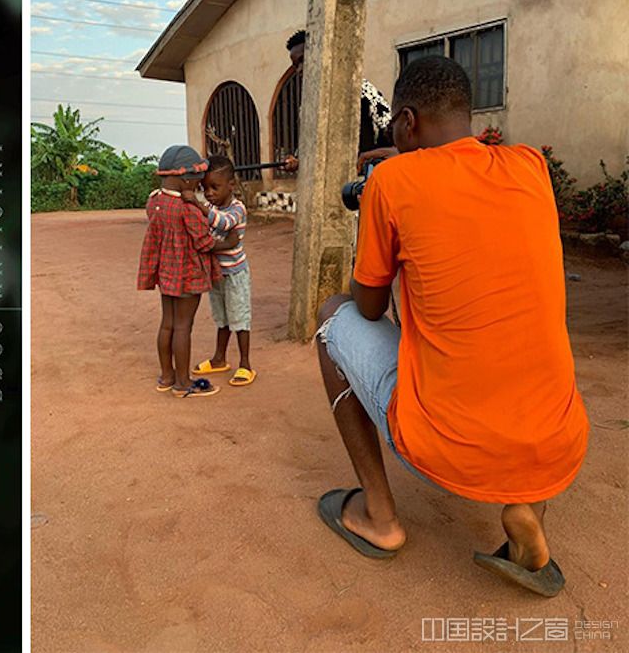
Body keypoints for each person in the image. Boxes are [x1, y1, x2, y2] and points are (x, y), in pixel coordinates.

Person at [312, 56, 589, 598]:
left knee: (331, 317)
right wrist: (410, 166)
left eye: (395, 123)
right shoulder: (530, 166)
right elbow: (459, 180)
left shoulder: (392, 180)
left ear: (407, 122)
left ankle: (379, 517)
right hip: (555, 441)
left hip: (446, 442)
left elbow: (369, 307)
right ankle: (527, 509)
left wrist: (386, 187)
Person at [136, 145, 221, 398]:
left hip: (166, 276)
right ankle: (183, 383)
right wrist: (224, 241)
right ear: (186, 179)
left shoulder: (154, 202)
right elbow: (204, 242)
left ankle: (167, 376)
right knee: (184, 326)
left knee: (168, 324)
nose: (201, 182)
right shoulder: (188, 209)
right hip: (189, 276)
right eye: (198, 177)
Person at [279, 30, 397, 174]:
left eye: (303, 60)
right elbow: (308, 150)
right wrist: (296, 162)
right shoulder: (307, 106)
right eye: (295, 65)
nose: (299, 70)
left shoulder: (362, 90)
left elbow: (391, 135)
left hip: (364, 182)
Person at [183, 156, 254, 386]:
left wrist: (197, 205)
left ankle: (245, 364)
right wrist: (221, 243)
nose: (209, 193)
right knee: (222, 319)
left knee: (239, 319)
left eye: (215, 187)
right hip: (216, 274)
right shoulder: (211, 207)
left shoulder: (237, 209)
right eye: (205, 189)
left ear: (231, 185)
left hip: (235, 275)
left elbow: (223, 223)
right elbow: (212, 232)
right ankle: (219, 358)